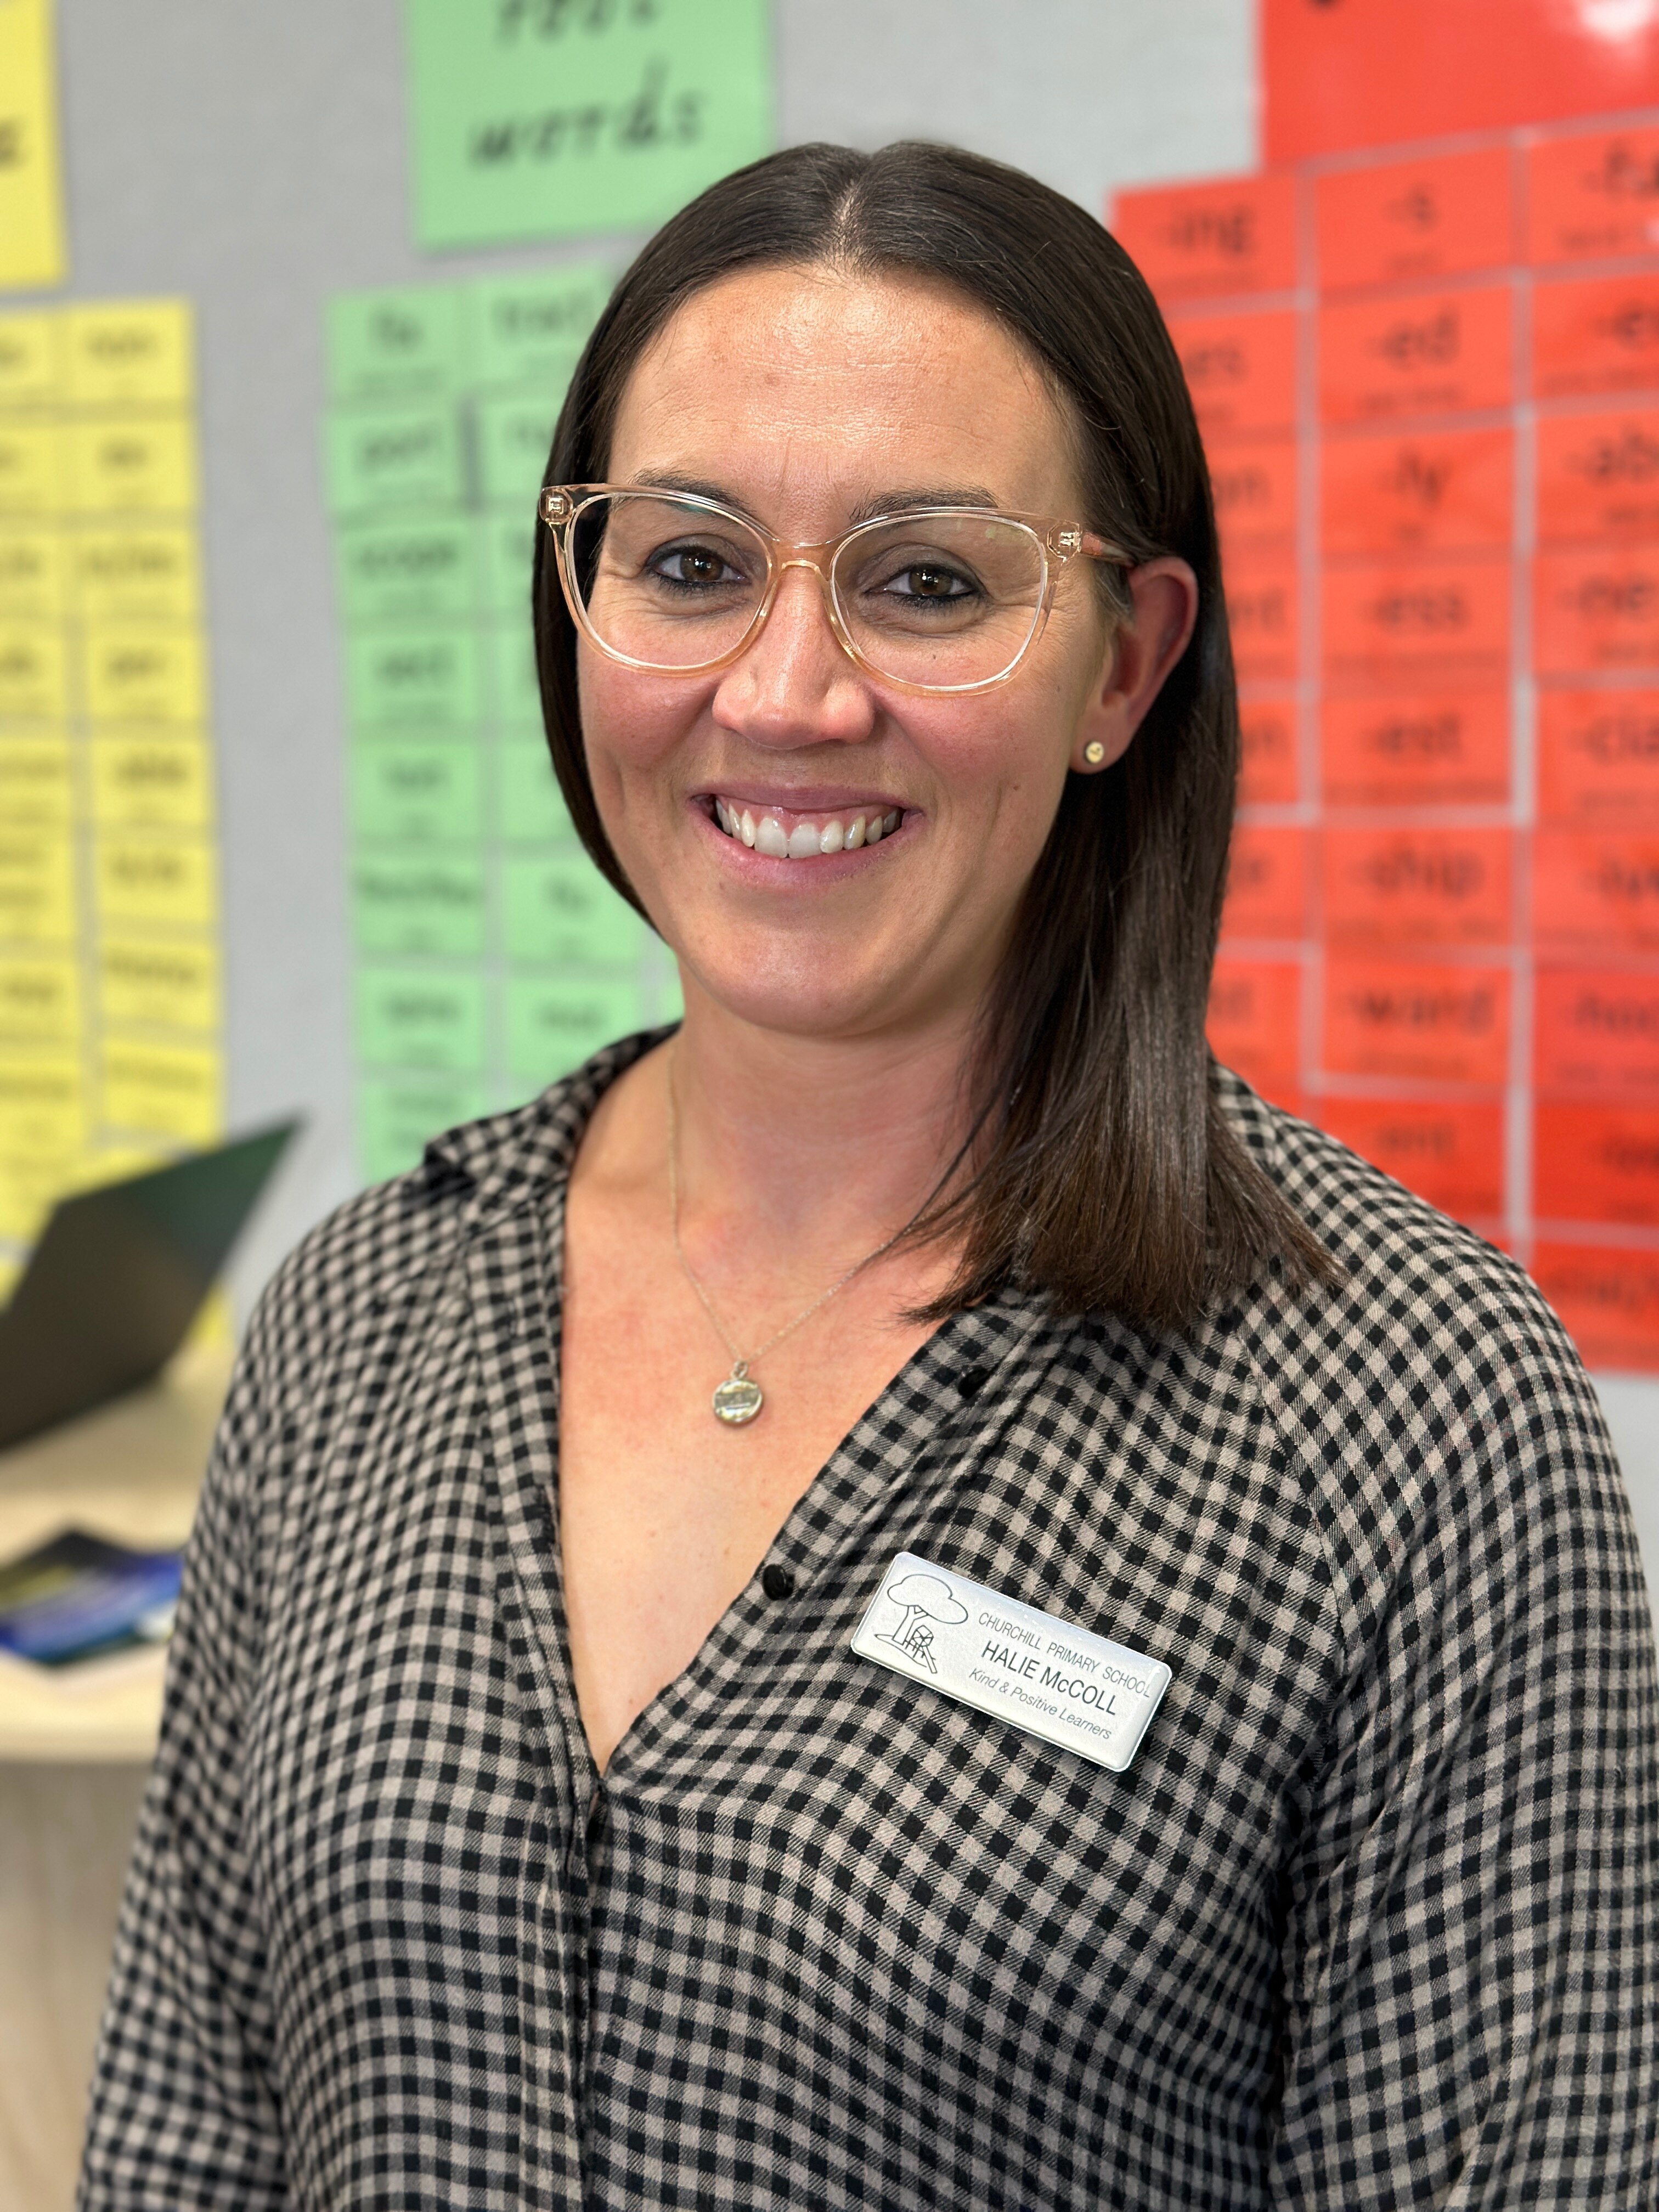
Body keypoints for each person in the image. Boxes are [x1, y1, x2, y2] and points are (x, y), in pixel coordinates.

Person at [81, 142, 1656, 2210]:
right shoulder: (363, 1315)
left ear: (1121, 662)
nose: (788, 692)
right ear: (578, 604)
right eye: (690, 561)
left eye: (929, 579)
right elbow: (191, 2140)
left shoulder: (1403, 1410)